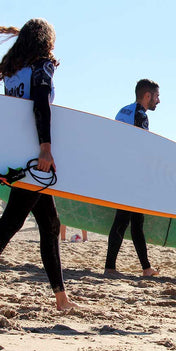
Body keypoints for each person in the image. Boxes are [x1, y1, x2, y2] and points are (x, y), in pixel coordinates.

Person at [0, 19, 78, 310]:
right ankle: (62, 299)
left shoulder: (11, 69)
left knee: (49, 224)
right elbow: (40, 104)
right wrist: (45, 147)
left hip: (17, 153)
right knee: (10, 223)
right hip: (35, 156)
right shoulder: (41, 65)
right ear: (45, 40)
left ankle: (62, 299)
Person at [104, 79, 160, 277]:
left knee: (136, 221)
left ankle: (146, 267)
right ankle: (110, 267)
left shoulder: (123, 111)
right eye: (156, 96)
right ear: (147, 96)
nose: (158, 101)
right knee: (123, 220)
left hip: (120, 171)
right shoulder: (140, 115)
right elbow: (140, 147)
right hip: (132, 175)